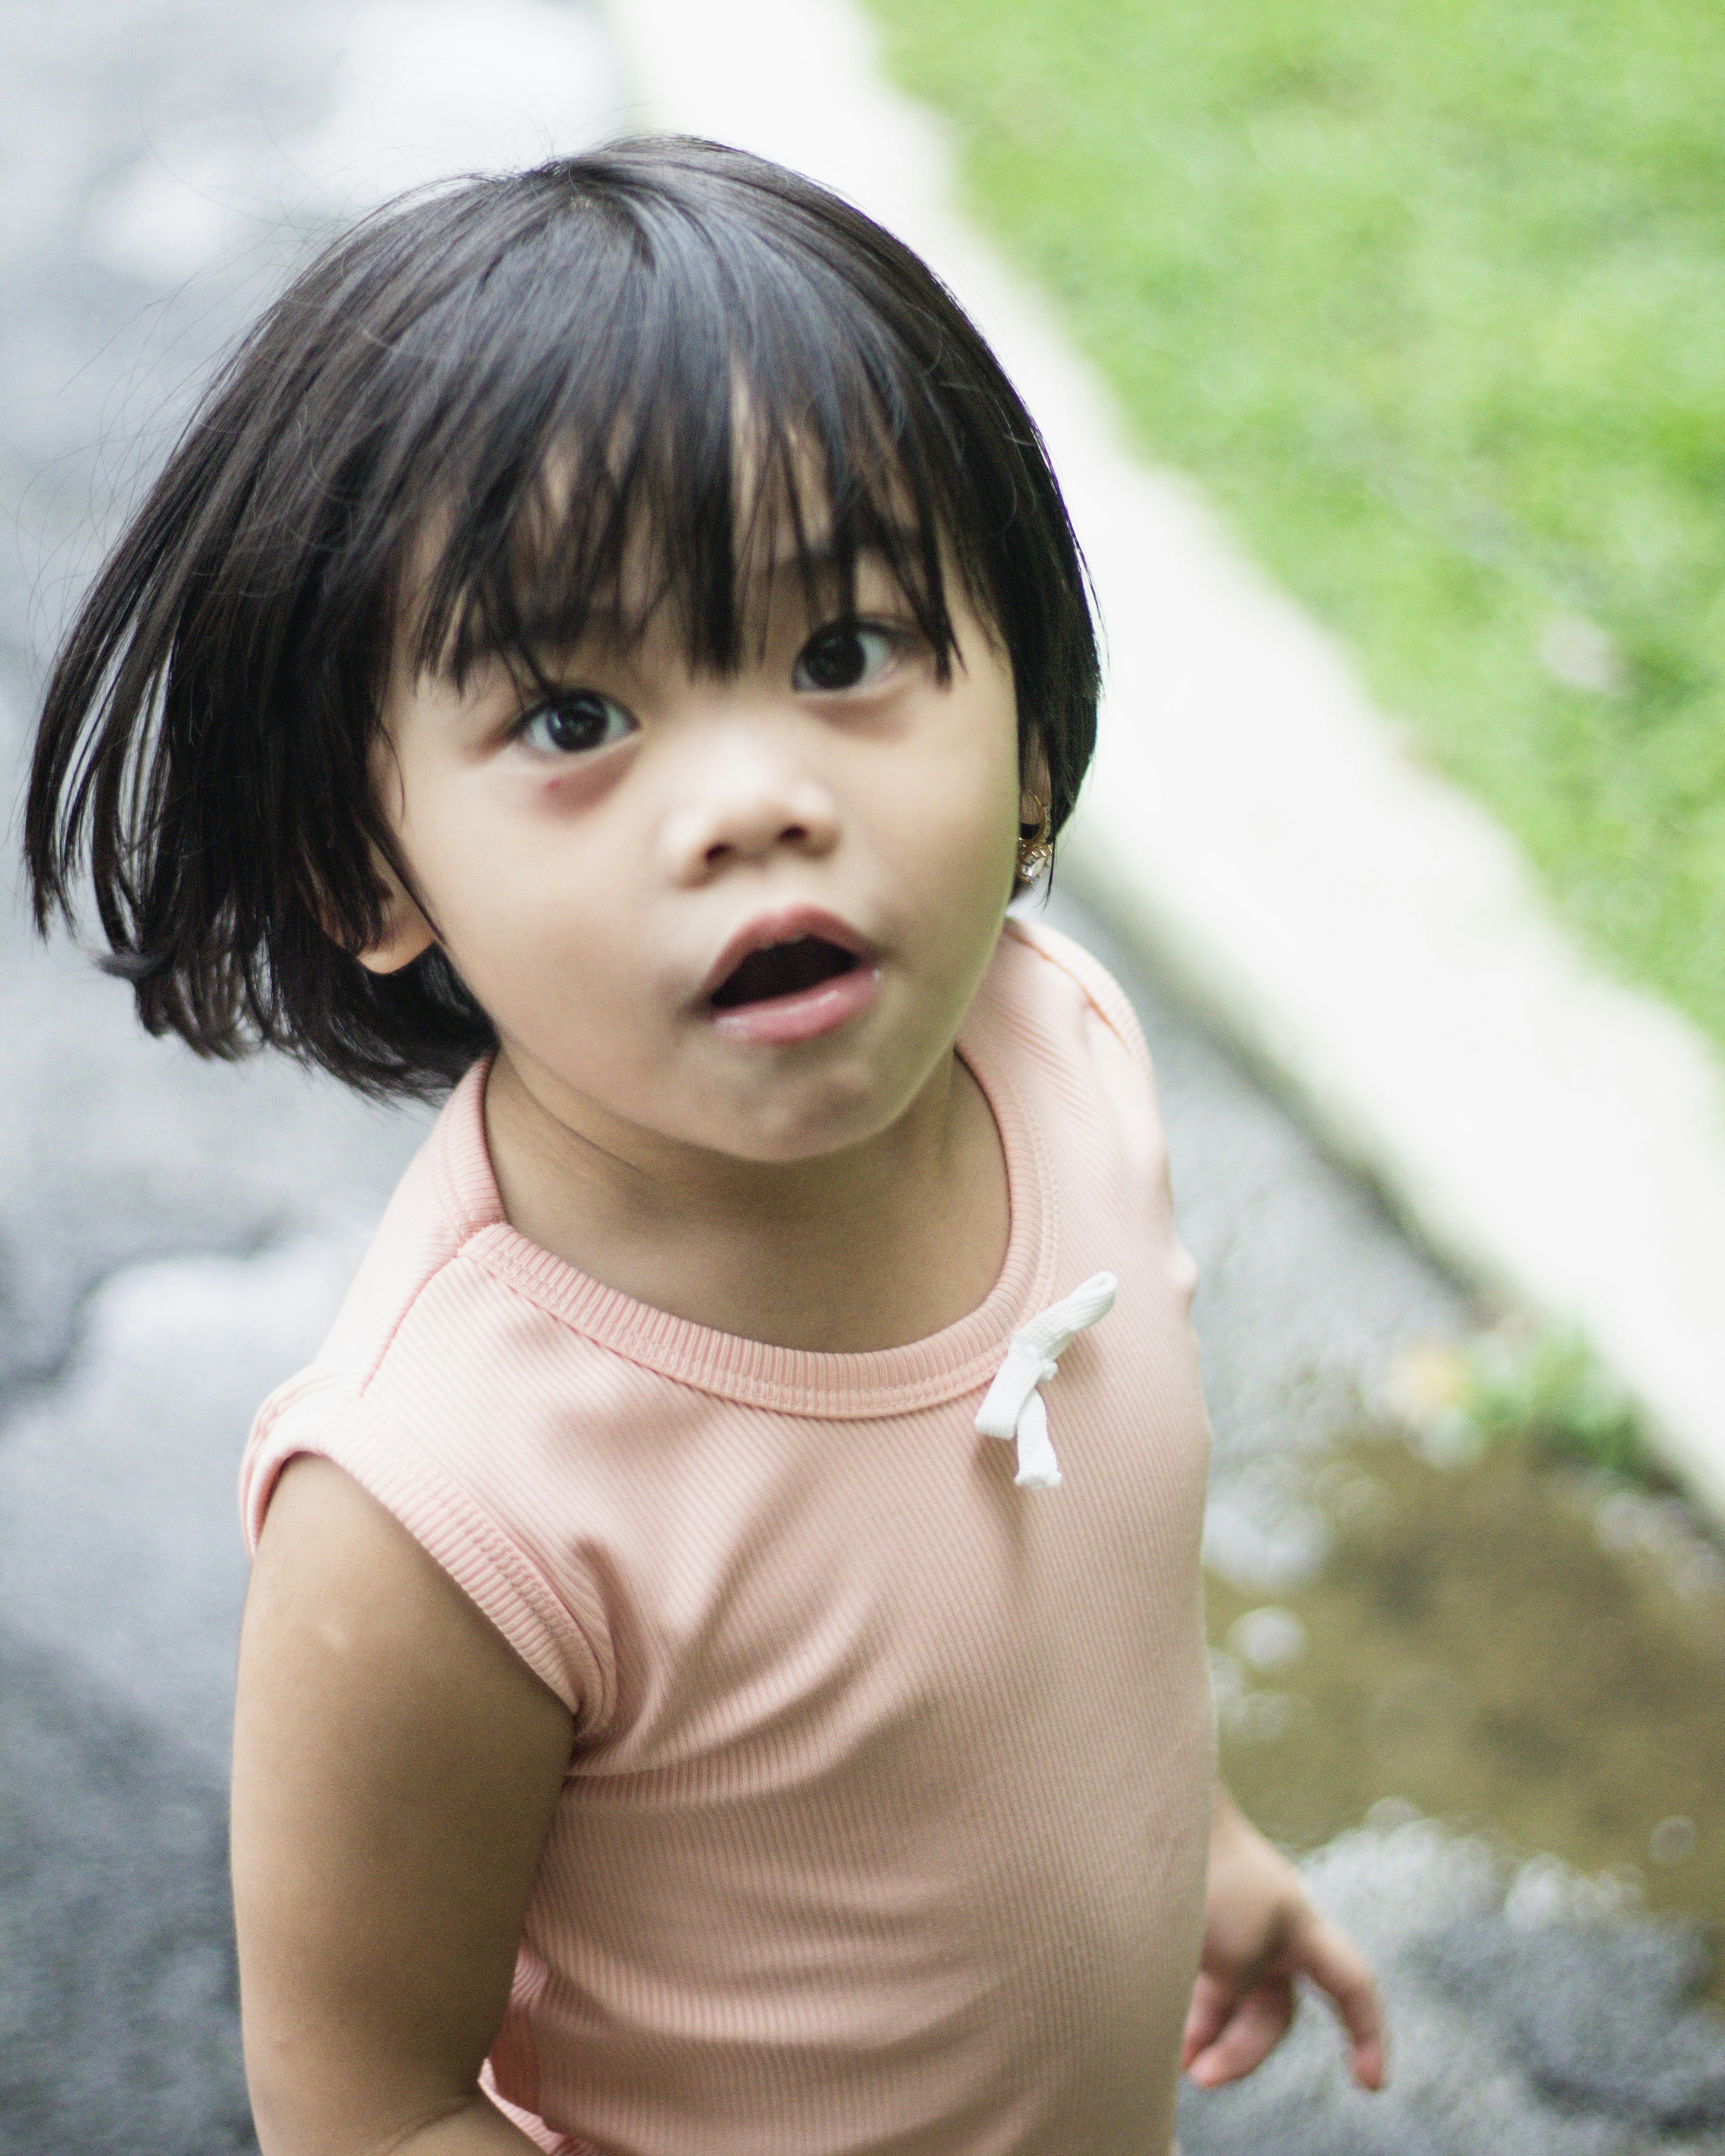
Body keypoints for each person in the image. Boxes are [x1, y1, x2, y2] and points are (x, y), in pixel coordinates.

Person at [25, 137, 1383, 2156]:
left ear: (1023, 740)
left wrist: (1188, 1837)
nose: (756, 797)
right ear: (362, 862)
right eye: (575, 719)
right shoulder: (445, 1507)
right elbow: (371, 2109)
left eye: (844, 659)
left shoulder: (1067, 1057)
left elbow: (1062, 1602)